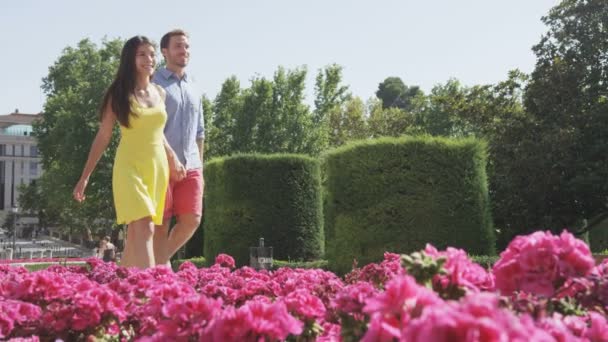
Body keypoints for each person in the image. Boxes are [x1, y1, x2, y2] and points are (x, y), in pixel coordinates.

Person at [73, 36, 186, 269]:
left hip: (156, 169)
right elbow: (103, 137)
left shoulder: (160, 93)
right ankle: (152, 291)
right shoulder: (118, 94)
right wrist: (85, 177)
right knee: (144, 228)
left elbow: (158, 133)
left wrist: (173, 157)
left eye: (152, 54)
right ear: (130, 59)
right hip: (129, 168)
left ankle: (118, 286)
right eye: (142, 54)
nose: (149, 59)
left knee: (138, 236)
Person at [152, 29, 205, 266]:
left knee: (192, 219)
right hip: (161, 164)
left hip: (191, 163)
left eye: (186, 47)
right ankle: (155, 274)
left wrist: (200, 166)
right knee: (160, 224)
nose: (184, 51)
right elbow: (151, 127)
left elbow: (199, 131)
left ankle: (157, 264)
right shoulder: (154, 82)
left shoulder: (194, 84)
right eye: (178, 46)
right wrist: (169, 159)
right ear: (165, 52)